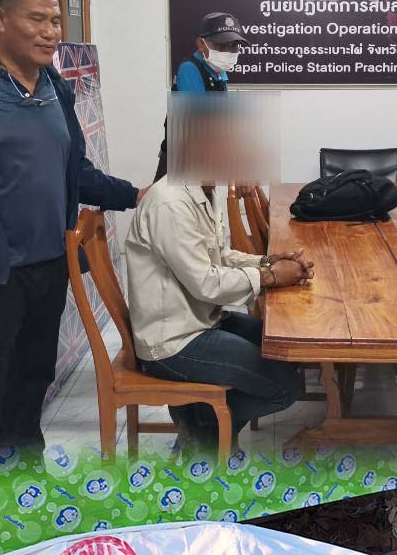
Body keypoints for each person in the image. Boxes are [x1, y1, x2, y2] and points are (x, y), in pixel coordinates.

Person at [0, 0, 147, 453]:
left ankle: (30, 483)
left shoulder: (55, 87)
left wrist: (136, 196)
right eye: (36, 20)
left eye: (55, 21)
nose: (50, 32)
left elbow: (75, 171)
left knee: (32, 383)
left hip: (49, 266)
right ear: (0, 19)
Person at [124, 179, 312, 452]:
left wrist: (268, 262)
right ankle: (201, 425)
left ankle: (204, 429)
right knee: (286, 387)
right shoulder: (170, 203)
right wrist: (269, 276)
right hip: (173, 341)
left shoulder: (203, 190)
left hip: (201, 320)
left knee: (286, 348)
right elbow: (206, 283)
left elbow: (220, 256)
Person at [153, 12, 247, 181]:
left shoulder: (218, 72)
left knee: (205, 198)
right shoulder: (190, 69)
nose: (228, 51)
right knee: (167, 199)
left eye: (234, 46)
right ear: (201, 44)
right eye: (221, 45)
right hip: (181, 159)